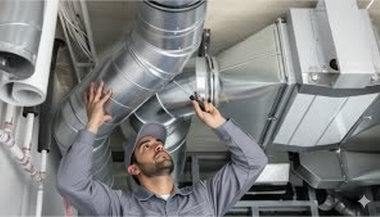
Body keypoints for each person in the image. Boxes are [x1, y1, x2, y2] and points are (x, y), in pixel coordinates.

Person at [57, 81, 268, 216]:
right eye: (146, 145)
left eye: (159, 144)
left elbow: (254, 162)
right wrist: (92, 124)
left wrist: (220, 125)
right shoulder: (118, 207)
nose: (158, 147)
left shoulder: (206, 197)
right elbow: (71, 184)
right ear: (134, 169)